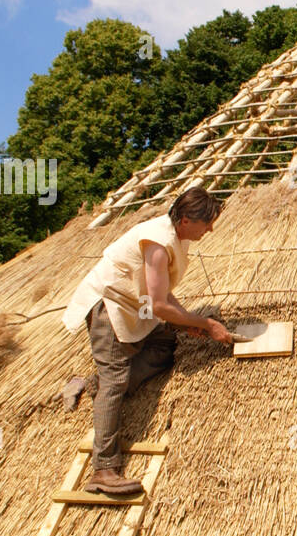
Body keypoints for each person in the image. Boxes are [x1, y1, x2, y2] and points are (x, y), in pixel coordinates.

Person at [59, 186, 247, 495]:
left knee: (164, 347)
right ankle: (104, 469)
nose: (211, 229)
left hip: (137, 307)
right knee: (115, 381)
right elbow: (159, 305)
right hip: (109, 305)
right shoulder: (158, 243)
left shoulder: (174, 237)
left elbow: (162, 294)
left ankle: (88, 384)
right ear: (186, 220)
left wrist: (187, 322)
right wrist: (205, 323)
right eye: (207, 223)